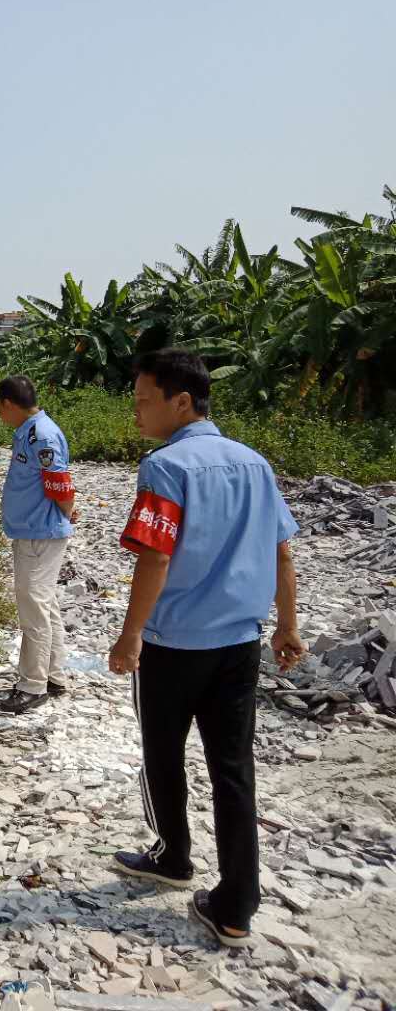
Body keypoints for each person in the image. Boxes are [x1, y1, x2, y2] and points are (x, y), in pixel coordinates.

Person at [108, 349, 305, 949]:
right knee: (233, 769)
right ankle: (237, 905)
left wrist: (131, 634)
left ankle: (172, 856)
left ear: (181, 402)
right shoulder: (254, 463)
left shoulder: (165, 468)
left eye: (144, 401)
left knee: (162, 754)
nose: (137, 412)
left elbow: (155, 556)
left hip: (174, 644)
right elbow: (282, 550)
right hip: (240, 644)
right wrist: (287, 626)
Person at [0, 374, 77, 714]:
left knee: (33, 608)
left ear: (7, 404)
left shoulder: (41, 435)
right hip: (33, 530)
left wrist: (67, 512)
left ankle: (32, 685)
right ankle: (54, 675)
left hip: (39, 533)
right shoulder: (29, 431)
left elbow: (59, 483)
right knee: (45, 604)